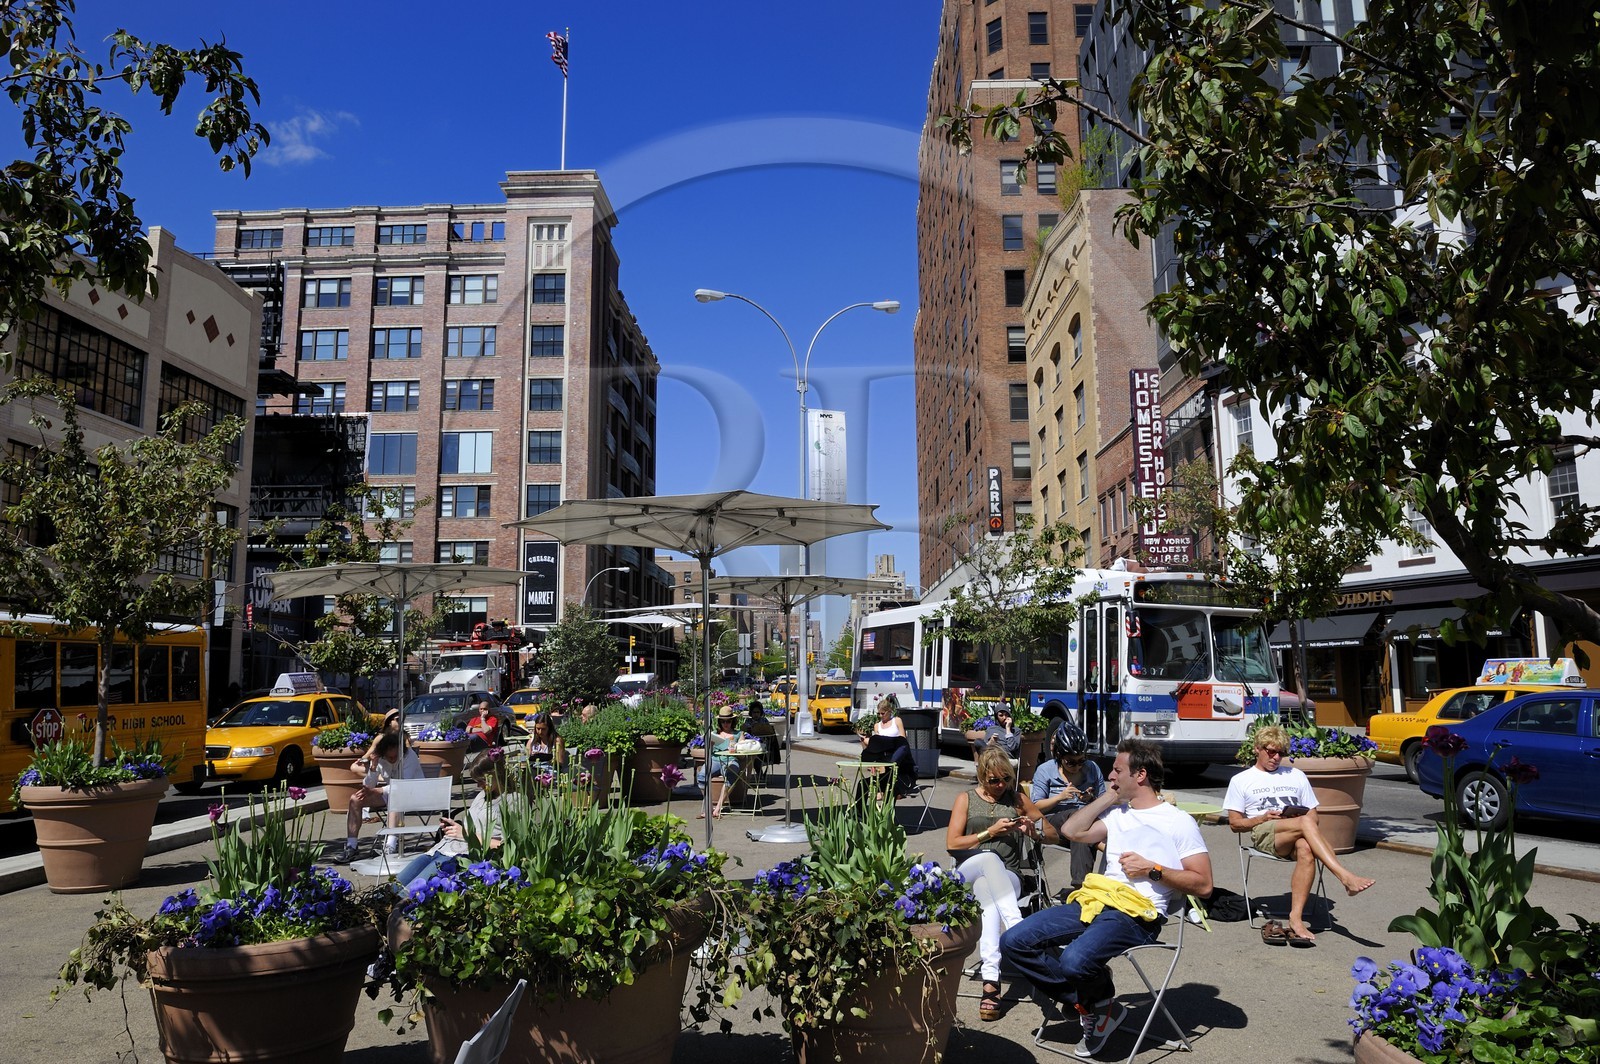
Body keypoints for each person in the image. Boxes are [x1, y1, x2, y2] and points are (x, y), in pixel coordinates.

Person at [1000, 739, 1213, 1059]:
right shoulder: (1117, 814)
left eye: (1117, 770)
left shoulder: (1177, 821)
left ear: (1140, 775)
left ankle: (1095, 1001)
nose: (1109, 775)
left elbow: (1204, 884)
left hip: (1138, 913)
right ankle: (1096, 1004)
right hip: (1095, 900)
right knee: (1014, 941)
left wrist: (1152, 869)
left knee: (1074, 959)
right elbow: (1072, 830)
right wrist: (1109, 797)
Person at [1223, 724, 1376, 944]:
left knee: (1306, 846)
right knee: (1304, 824)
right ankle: (1345, 877)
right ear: (1257, 749)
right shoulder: (1241, 780)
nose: (1276, 757)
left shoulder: (1296, 775)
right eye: (1271, 751)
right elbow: (1235, 824)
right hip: (1266, 833)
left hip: (1296, 832)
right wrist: (1263, 818)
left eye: (1281, 753)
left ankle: (1296, 918)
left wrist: (1294, 820)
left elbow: (1314, 817)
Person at [947, 746, 1049, 1022]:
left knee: (987, 896)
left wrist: (1033, 830)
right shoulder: (965, 799)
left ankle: (990, 982)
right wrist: (988, 833)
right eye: (994, 780)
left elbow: (1048, 831)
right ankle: (1021, 931)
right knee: (989, 859)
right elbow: (952, 843)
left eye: (1005, 778)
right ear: (982, 777)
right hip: (967, 870)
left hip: (1007, 877)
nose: (1000, 785)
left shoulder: (1016, 799)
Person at [393, 750, 522, 892]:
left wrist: (466, 835)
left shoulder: (514, 801)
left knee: (410, 893)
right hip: (442, 848)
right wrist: (453, 828)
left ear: (496, 775)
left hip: (462, 856)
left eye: (482, 781)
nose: (479, 786)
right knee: (394, 887)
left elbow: (508, 846)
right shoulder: (482, 795)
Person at [1032, 722, 1106, 891]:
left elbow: (1105, 800)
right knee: (1078, 818)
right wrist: (1060, 797)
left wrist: (1091, 799)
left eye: (1081, 761)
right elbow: (1035, 807)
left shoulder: (1092, 769)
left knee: (1083, 824)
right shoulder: (1045, 771)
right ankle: (1083, 886)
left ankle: (1088, 887)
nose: (1077, 766)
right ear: (1058, 755)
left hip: (1083, 826)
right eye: (1071, 762)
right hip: (1052, 822)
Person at [342, 732, 418, 862]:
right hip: (391, 792)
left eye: (395, 756)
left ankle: (391, 844)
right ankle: (351, 846)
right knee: (356, 799)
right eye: (389, 757)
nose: (392, 759)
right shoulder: (381, 758)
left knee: (395, 797)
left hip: (415, 793)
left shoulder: (409, 756)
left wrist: (380, 790)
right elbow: (369, 785)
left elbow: (405, 785)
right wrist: (373, 767)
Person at [860, 694, 917, 797]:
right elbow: (877, 745)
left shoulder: (896, 721)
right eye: (879, 714)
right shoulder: (877, 726)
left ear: (889, 711)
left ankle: (886, 790)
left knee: (892, 757)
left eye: (883, 713)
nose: (881, 716)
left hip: (897, 751)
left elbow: (903, 739)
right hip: (884, 754)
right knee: (879, 757)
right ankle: (883, 789)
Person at [695, 708, 743, 819]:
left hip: (731, 759)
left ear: (733, 721)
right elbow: (709, 753)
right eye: (723, 721)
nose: (726, 724)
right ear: (720, 722)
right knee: (702, 776)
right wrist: (710, 745)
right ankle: (709, 807)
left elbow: (742, 755)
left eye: (728, 721)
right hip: (716, 759)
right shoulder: (715, 734)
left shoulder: (738, 734)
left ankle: (718, 808)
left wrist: (735, 746)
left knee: (731, 774)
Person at [742, 699, 780, 770]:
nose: (756, 714)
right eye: (754, 712)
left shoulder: (764, 720)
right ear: (751, 713)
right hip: (750, 745)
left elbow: (770, 732)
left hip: (762, 745)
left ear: (760, 713)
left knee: (756, 756)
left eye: (758, 712)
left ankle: (759, 774)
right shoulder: (748, 721)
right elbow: (744, 731)